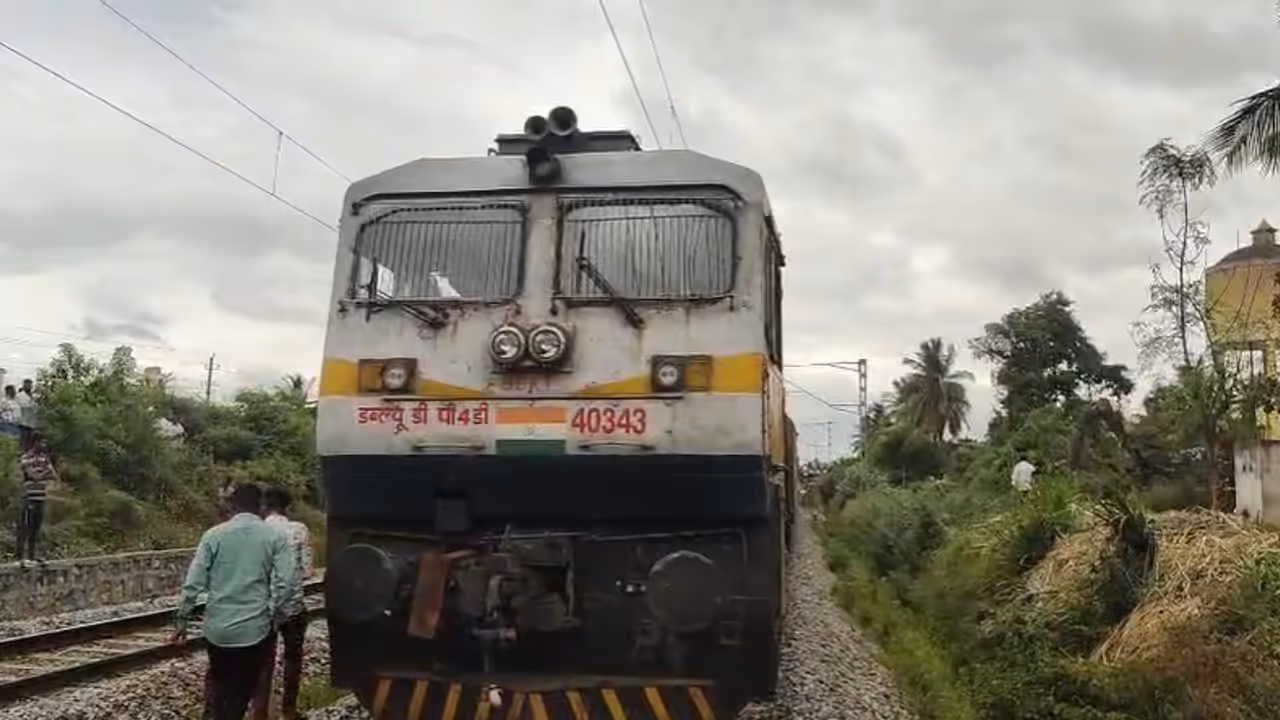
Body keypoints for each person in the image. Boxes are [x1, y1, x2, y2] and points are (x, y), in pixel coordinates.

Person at [173, 483, 294, 720]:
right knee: (241, 692)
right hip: (255, 629)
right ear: (261, 506)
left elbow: (193, 583)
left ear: (232, 506)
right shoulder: (275, 537)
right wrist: (275, 614)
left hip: (217, 630)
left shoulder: (213, 535)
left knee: (219, 684)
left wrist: (182, 621)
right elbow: (286, 583)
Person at [251, 486, 312, 720]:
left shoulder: (257, 531)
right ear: (288, 507)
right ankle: (289, 710)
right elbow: (307, 571)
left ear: (264, 506)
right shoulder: (299, 529)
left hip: (263, 607)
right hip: (294, 606)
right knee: (293, 658)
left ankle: (259, 712)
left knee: (264, 660)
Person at [16, 436, 56, 565]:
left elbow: (53, 474)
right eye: (41, 442)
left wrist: (41, 474)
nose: (44, 445)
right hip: (29, 496)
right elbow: (33, 476)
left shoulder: (44, 458)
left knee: (36, 528)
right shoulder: (26, 458)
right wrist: (44, 473)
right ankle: (21, 557)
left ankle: (32, 556)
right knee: (25, 526)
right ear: (35, 443)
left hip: (41, 496)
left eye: (45, 443)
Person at [15, 380, 35, 450]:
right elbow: (23, 405)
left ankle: (28, 452)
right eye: (27, 385)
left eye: (30, 385)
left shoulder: (33, 395)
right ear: (23, 385)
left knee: (30, 439)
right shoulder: (19, 395)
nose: (29, 386)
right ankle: (21, 451)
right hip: (23, 420)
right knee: (23, 437)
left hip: (31, 421)